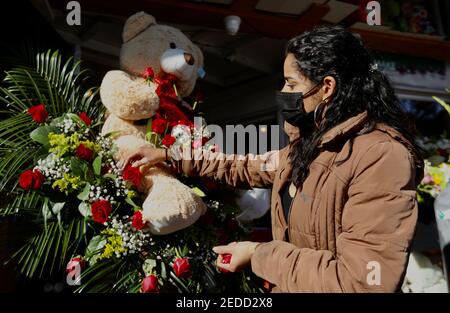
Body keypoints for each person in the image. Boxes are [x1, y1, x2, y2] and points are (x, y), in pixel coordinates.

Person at [119, 25, 424, 292]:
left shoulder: (381, 157)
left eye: (292, 84)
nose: (283, 91)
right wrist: (172, 156)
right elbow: (244, 166)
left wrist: (258, 255)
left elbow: (362, 282)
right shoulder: (311, 145)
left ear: (327, 88)